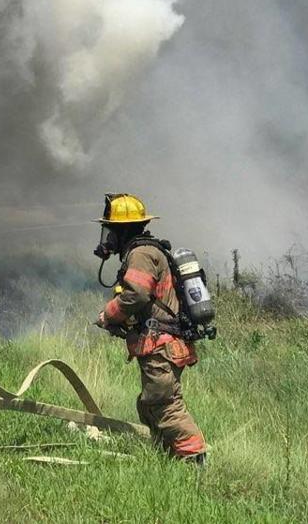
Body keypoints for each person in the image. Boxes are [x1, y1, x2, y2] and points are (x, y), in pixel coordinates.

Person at [93, 193, 206, 463]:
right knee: (148, 405)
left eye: (112, 231)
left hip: (162, 344)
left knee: (164, 405)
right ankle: (166, 458)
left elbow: (137, 295)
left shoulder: (142, 254)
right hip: (160, 343)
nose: (108, 238)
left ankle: (196, 461)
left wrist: (108, 316)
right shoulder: (145, 251)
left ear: (123, 230)